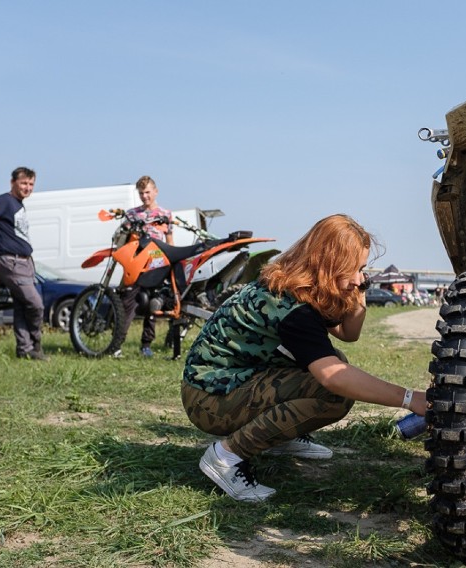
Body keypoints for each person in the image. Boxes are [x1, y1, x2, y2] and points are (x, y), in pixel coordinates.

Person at [181, 214, 428, 502]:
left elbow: (348, 333)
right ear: (331, 264)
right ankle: (226, 456)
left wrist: (358, 293)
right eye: (355, 269)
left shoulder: (295, 285)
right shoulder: (293, 308)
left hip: (219, 384)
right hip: (208, 399)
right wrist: (411, 398)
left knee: (335, 355)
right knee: (333, 393)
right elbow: (333, 377)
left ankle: (281, 435)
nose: (360, 279)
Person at [0, 167, 47, 361]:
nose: (27, 188)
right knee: (36, 304)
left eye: (31, 184)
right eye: (23, 183)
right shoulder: (3, 201)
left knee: (22, 307)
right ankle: (36, 344)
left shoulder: (19, 204)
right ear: (12, 182)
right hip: (11, 261)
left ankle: (25, 349)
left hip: (25, 262)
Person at [118, 175, 173, 358]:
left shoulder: (165, 214)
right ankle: (117, 343)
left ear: (155, 192)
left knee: (152, 304)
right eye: (141, 193)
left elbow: (169, 242)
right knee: (128, 303)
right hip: (136, 263)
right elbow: (122, 240)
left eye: (148, 192)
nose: (145, 197)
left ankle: (146, 344)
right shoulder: (132, 214)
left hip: (156, 264)